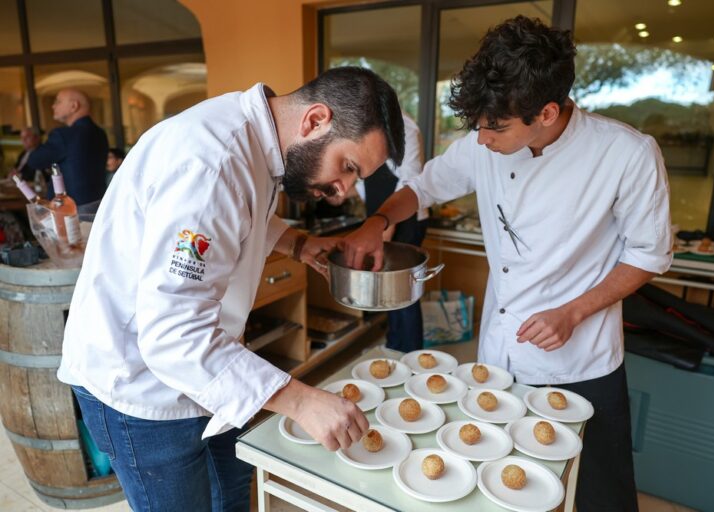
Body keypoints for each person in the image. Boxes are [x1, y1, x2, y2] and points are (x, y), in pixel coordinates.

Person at [342, 16, 672, 512]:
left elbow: (648, 255)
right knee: (499, 488)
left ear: (547, 112)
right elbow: (426, 186)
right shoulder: (484, 144)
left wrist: (575, 311)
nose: (482, 137)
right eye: (477, 123)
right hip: (499, 356)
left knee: (601, 496)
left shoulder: (627, 154)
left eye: (494, 126)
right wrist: (380, 219)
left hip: (579, 361)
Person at [57, 66, 404, 511]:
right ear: (315, 120)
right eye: (348, 167)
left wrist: (300, 244)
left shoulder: (255, 141)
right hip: (141, 387)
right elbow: (172, 335)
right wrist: (302, 401)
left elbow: (240, 212)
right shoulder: (211, 164)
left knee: (233, 498)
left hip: (209, 367)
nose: (342, 191)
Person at [353, 113, 429, 352]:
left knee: (403, 291)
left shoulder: (404, 127)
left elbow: (411, 179)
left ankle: (410, 354)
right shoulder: (369, 127)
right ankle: (394, 345)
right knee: (388, 286)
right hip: (382, 219)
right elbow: (364, 178)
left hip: (406, 220)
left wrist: (386, 225)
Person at [26, 88, 108, 205]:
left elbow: (34, 160)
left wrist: (35, 141)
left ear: (74, 106)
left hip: (70, 210)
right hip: (99, 204)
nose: (53, 106)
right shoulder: (100, 133)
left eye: (58, 102)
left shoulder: (63, 135)